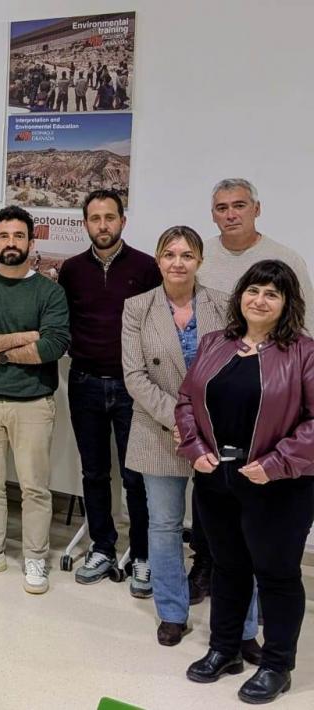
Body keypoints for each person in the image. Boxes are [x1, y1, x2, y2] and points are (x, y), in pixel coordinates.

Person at [176, 260, 314, 704]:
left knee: (277, 575)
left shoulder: (304, 353)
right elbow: (186, 401)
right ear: (240, 296)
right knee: (226, 566)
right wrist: (196, 448)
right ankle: (225, 649)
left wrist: (275, 463)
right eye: (254, 290)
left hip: (279, 487)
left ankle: (277, 665)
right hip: (217, 479)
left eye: (272, 294)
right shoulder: (216, 343)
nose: (260, 300)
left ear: (287, 303)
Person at [122, 226, 260, 653]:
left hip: (219, 434)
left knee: (234, 530)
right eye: (169, 254)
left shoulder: (225, 304)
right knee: (164, 525)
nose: (177, 263)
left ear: (200, 260)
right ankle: (172, 613)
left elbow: (241, 367)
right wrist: (180, 420)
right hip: (159, 429)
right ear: (158, 260)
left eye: (186, 255)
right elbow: (135, 376)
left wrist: (204, 423)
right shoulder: (137, 308)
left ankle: (244, 628)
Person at [187, 178, 314, 604]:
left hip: (271, 403)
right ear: (212, 214)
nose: (231, 214)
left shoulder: (285, 258)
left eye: (239, 205)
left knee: (265, 530)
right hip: (217, 389)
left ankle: (262, 596)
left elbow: (304, 332)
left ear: (256, 209)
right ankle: (208, 569)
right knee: (215, 511)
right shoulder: (201, 258)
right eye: (221, 207)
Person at [0, 206, 70, 594]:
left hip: (32, 404)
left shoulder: (50, 292)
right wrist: (25, 337)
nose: (10, 243)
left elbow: (52, 346)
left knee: (34, 487)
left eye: (18, 236)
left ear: (31, 242)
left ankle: (35, 556)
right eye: (3, 236)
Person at [57, 190, 161, 594]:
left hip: (131, 386)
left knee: (135, 476)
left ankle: (142, 555)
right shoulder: (71, 270)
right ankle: (101, 546)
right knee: (94, 472)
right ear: (85, 223)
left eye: (110, 217)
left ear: (122, 221)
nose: (103, 225)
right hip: (84, 382)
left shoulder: (146, 268)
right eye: (95, 218)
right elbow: (63, 321)